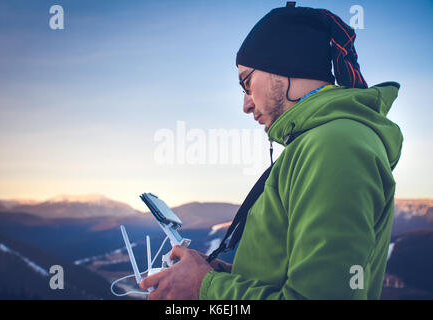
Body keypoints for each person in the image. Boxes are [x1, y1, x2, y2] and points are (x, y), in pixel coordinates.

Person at [139, 3, 403, 300]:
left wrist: (206, 288)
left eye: (246, 83)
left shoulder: (334, 145)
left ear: (284, 65)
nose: (245, 105)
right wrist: (214, 276)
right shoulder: (318, 142)